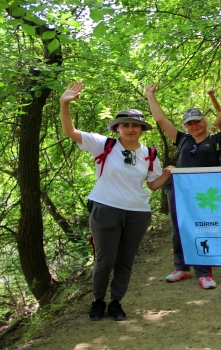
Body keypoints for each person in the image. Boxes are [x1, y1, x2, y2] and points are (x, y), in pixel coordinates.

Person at [60, 82, 171, 321]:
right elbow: (70, 131)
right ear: (117, 127)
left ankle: (116, 302)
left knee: (125, 261)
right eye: (125, 125)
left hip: (138, 213)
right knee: (105, 260)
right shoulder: (104, 144)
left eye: (135, 125)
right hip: (106, 208)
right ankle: (97, 301)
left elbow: (152, 185)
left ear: (142, 129)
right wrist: (64, 103)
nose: (130, 129)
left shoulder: (149, 154)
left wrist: (167, 174)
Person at [145, 83, 221, 290]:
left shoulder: (217, 140)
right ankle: (181, 267)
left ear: (204, 121)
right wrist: (149, 95)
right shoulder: (182, 140)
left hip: (205, 193)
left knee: (201, 228)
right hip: (179, 190)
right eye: (189, 123)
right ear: (186, 126)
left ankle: (204, 273)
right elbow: (161, 120)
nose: (194, 125)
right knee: (178, 229)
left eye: (197, 121)